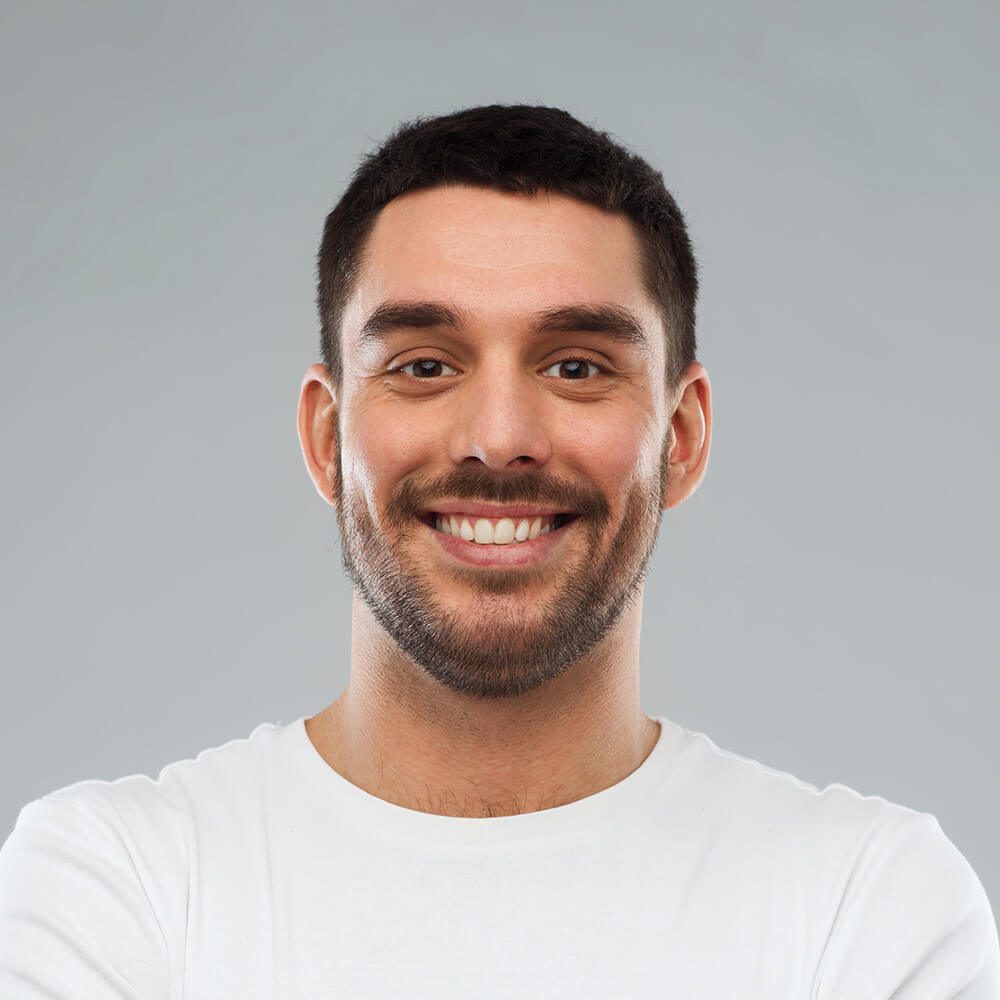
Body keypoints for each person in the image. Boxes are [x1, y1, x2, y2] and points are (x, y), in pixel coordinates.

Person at [1, 103, 997, 998]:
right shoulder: (116, 884)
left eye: (577, 367)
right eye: (424, 365)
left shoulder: (865, 903)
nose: (499, 436)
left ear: (682, 437)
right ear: (326, 438)